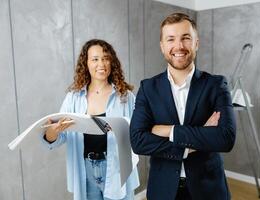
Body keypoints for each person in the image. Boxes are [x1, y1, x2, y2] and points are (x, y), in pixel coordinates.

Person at [130, 13, 236, 200]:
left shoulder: (216, 85)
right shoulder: (148, 88)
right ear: (162, 46)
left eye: (186, 38)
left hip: (208, 189)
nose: (179, 46)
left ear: (196, 43)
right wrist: (196, 140)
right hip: (163, 189)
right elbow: (138, 141)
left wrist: (169, 130)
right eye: (171, 39)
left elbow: (225, 138)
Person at [42, 39, 139, 200]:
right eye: (95, 59)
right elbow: (57, 139)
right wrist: (52, 131)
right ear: (86, 63)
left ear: (112, 62)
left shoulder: (125, 97)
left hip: (117, 168)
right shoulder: (73, 98)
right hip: (85, 169)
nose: (101, 63)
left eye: (105, 58)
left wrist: (123, 129)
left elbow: (138, 133)